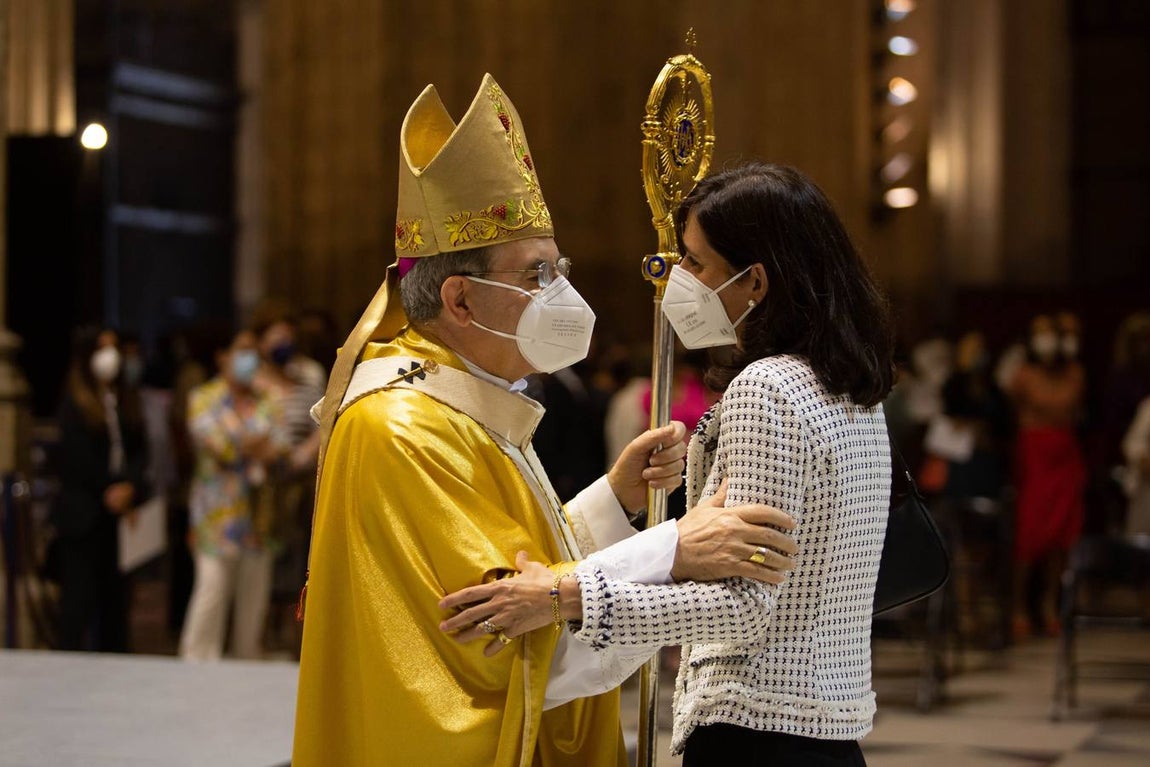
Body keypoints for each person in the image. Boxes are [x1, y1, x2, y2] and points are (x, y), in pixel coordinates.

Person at [292, 76, 797, 767]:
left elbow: (530, 568)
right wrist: (669, 550)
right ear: (461, 300)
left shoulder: (464, 398)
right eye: (536, 275)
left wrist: (614, 500)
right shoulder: (401, 426)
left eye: (557, 268)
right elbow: (505, 627)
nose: (558, 292)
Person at [441, 162, 896, 766]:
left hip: (755, 726)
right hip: (825, 728)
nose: (676, 277)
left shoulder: (768, 388)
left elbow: (740, 606)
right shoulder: (848, 388)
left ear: (754, 281)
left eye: (696, 262)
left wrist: (565, 597)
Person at [178, 328, 286, 660]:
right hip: (216, 515)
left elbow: (279, 446)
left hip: (257, 514)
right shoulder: (203, 398)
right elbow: (221, 446)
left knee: (253, 600)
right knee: (211, 590)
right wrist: (252, 443)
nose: (248, 358)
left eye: (254, 351)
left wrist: (250, 445)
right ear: (223, 356)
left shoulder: (266, 399)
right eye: (241, 350)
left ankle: (246, 664)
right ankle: (196, 665)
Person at [53, 327, 149, 652]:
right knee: (77, 601)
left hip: (117, 517)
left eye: (114, 347)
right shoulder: (74, 402)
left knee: (115, 604)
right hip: (85, 513)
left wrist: (130, 486)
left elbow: (138, 450)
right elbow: (75, 458)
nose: (111, 355)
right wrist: (108, 489)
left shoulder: (124, 399)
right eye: (102, 347)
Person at [1008, 313, 1086, 637]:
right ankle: (1019, 605)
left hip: (1063, 455)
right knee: (1029, 533)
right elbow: (1028, 401)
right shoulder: (1023, 373)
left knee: (1060, 536)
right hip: (1035, 456)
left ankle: (1049, 604)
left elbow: (1063, 404)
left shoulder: (1075, 373)